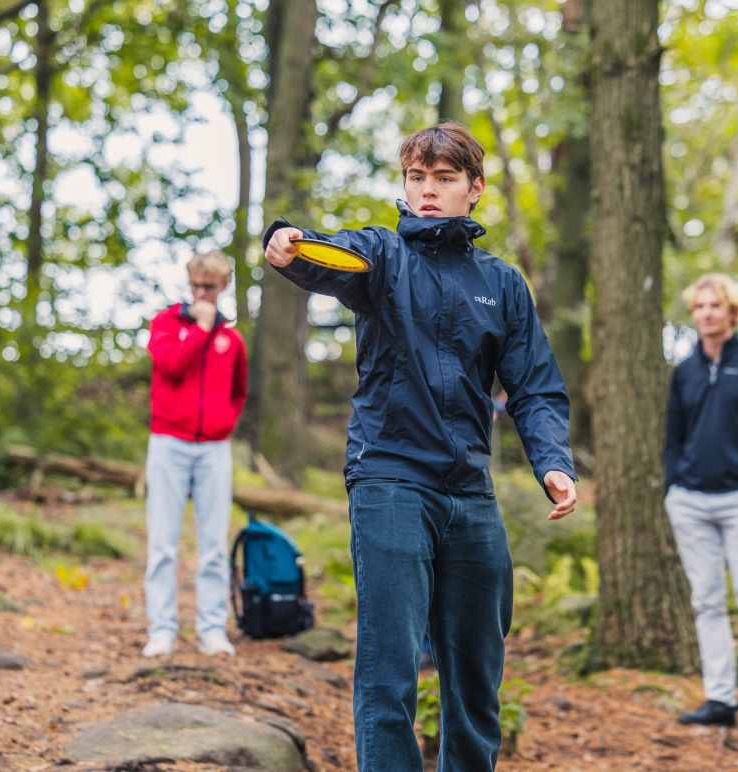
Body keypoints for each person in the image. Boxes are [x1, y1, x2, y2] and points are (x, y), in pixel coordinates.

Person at [263, 122, 577, 771]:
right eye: (416, 177)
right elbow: (331, 256)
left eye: (443, 178)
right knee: (390, 671)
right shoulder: (381, 258)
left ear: (475, 188)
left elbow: (536, 386)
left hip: (469, 490)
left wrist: (553, 463)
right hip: (390, 479)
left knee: (475, 678)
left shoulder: (503, 284)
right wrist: (289, 242)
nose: (427, 191)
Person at [663, 273, 738, 733]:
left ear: (732, 312)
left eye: (715, 306)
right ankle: (719, 697)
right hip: (690, 502)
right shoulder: (685, 372)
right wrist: (674, 486)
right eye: (699, 307)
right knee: (707, 601)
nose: (707, 314)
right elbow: (673, 437)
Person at [141, 250, 248, 658]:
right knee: (163, 543)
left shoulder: (233, 340)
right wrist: (200, 331)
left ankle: (211, 630)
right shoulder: (166, 324)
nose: (202, 293)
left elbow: (239, 391)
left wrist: (225, 423)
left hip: (214, 449)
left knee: (214, 545)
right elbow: (170, 365)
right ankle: (162, 630)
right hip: (168, 443)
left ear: (223, 287)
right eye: (197, 285)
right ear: (189, 284)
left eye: (211, 286)